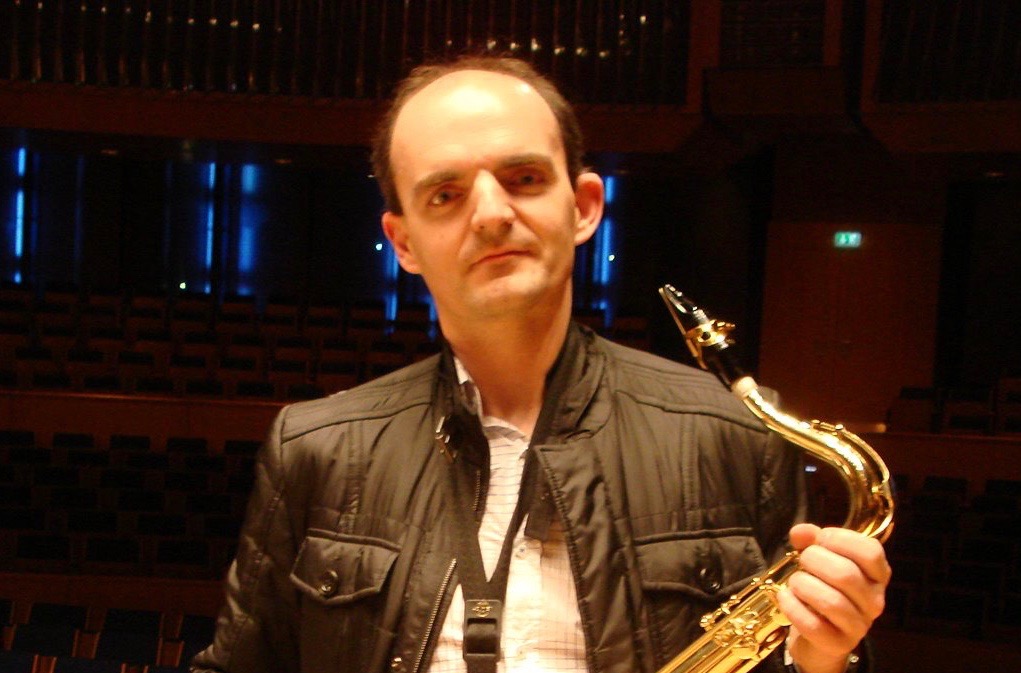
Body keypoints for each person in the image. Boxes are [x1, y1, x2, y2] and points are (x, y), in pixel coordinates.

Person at [191, 55, 890, 673]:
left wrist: (822, 659)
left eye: (523, 178)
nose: (491, 213)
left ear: (583, 206)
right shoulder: (315, 446)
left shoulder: (732, 433)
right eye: (445, 194)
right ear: (403, 242)